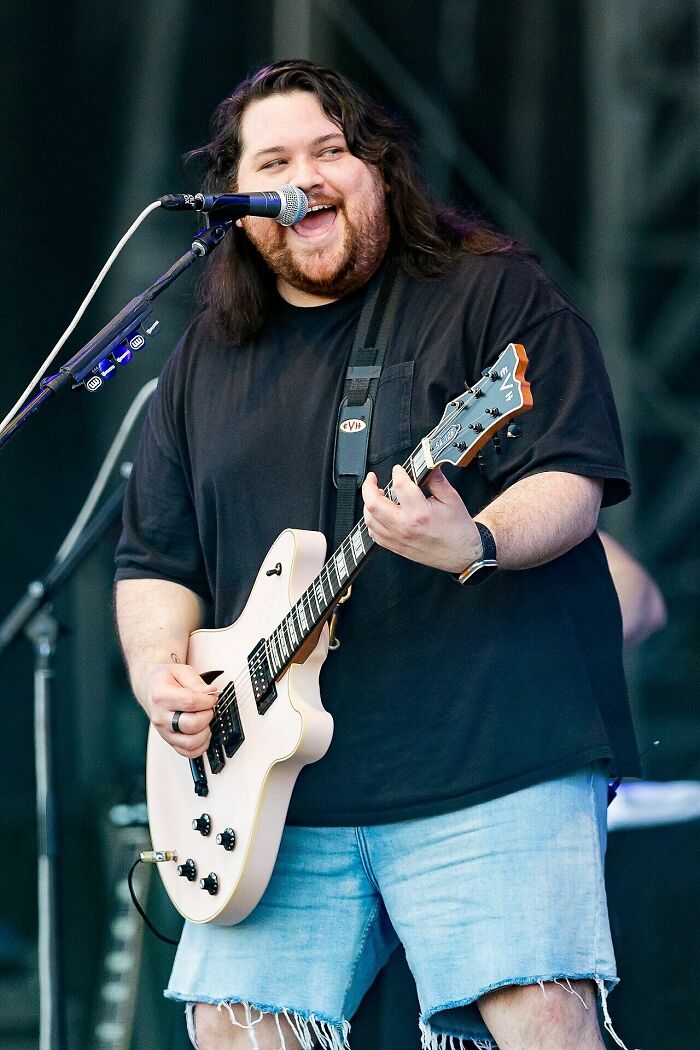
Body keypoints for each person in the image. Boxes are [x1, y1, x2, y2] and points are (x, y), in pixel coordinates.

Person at [115, 60, 641, 1050]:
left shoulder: (490, 294)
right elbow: (154, 556)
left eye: (330, 151)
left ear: (378, 172)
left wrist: (473, 540)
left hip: (488, 753)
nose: (304, 174)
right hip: (271, 793)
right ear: (236, 200)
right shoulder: (207, 356)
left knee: (540, 1021)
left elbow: (571, 479)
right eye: (273, 160)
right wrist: (160, 673)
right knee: (230, 1031)